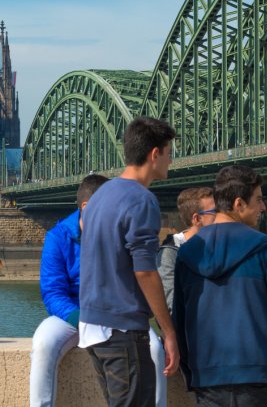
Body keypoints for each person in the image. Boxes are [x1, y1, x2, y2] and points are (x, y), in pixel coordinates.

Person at [173, 165, 267, 406]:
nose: (263, 207)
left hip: (209, 376)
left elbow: (181, 319)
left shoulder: (187, 254)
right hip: (261, 374)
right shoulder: (265, 248)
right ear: (239, 204)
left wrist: (192, 371)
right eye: (258, 200)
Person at [29, 174, 167, 407]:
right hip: (75, 314)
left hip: (116, 312)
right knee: (43, 344)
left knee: (154, 349)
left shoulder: (119, 229)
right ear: (86, 206)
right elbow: (53, 292)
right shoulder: (58, 236)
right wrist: (81, 318)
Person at [79, 116, 180, 407]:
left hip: (93, 326)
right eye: (169, 153)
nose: (171, 162)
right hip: (121, 329)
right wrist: (169, 332)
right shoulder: (141, 199)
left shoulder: (101, 195)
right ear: (154, 154)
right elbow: (145, 272)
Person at [157, 187, 214, 311]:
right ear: (197, 219)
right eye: (215, 211)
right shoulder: (170, 252)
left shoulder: (218, 246)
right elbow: (172, 304)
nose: (220, 216)